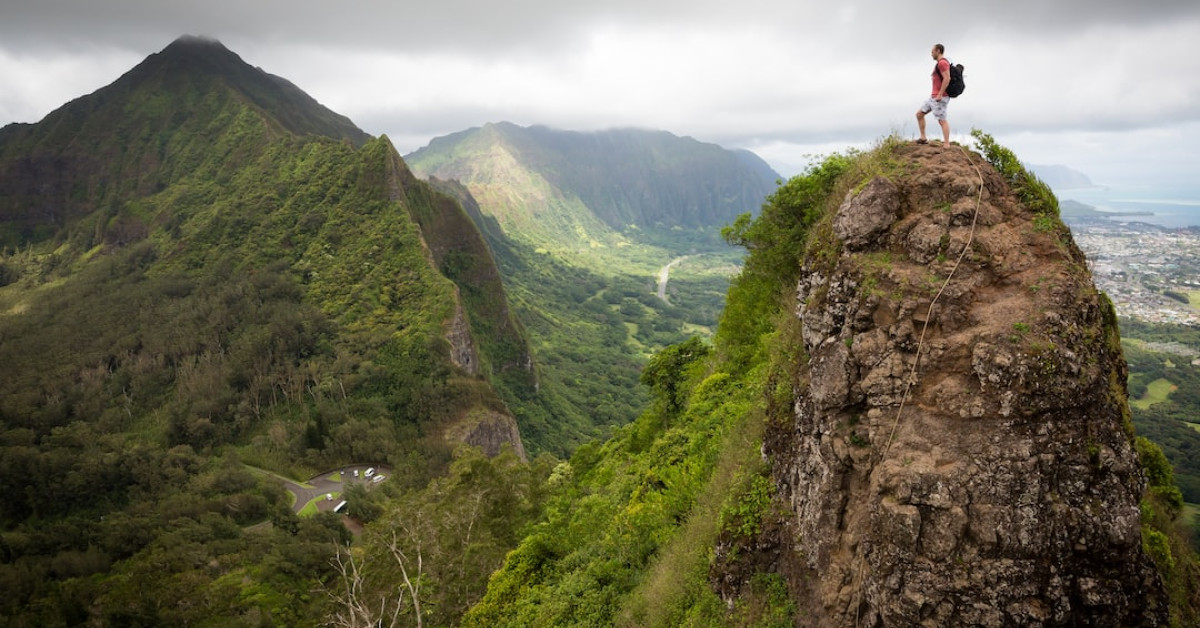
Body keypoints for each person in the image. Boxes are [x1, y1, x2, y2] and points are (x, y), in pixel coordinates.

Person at [916, 43, 951, 148]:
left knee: (942, 120)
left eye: (932, 52)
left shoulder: (942, 63)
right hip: (933, 97)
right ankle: (923, 138)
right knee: (919, 114)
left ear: (938, 51)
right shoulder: (939, 64)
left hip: (940, 97)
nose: (931, 54)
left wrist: (940, 94)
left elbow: (947, 78)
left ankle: (946, 143)